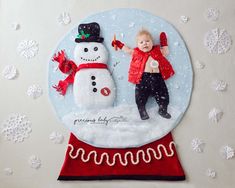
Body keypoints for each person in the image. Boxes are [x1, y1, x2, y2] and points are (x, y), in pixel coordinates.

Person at [112, 29, 175, 120]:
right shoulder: (136, 52)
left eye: (147, 41)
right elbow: (128, 50)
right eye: (141, 42)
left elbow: (166, 51)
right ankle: (142, 110)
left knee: (163, 93)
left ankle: (163, 109)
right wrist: (119, 44)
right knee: (140, 95)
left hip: (157, 77)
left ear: (152, 42)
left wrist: (163, 41)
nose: (145, 43)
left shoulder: (157, 50)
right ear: (137, 45)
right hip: (143, 78)